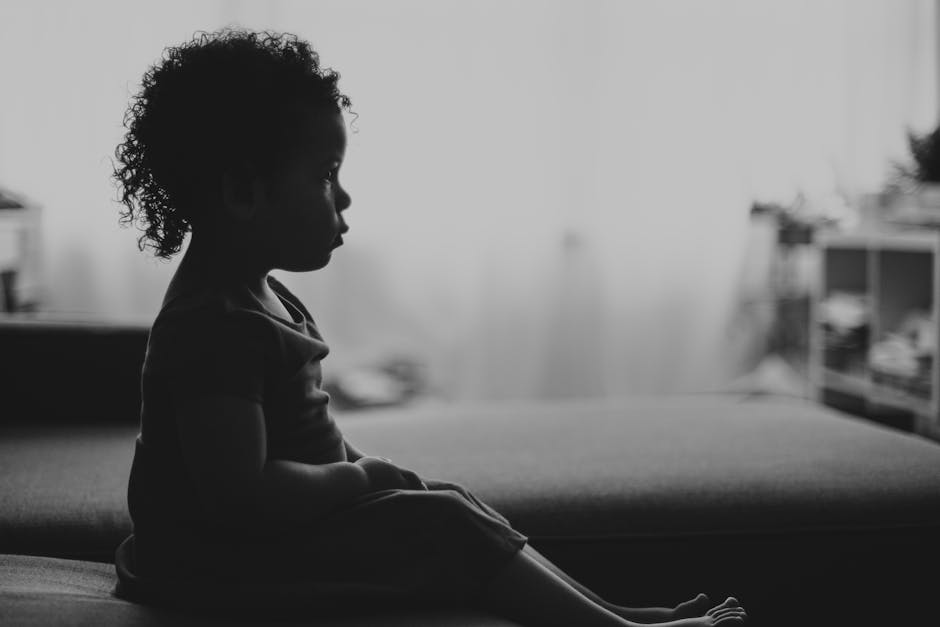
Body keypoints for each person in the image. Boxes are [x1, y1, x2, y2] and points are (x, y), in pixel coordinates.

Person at [112, 28, 747, 627]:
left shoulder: (260, 296)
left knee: (449, 501)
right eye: (326, 175)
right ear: (243, 192)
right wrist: (359, 479)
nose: (344, 197)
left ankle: (620, 615)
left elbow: (305, 438)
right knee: (444, 523)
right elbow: (241, 498)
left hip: (270, 538)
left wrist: (368, 470)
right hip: (219, 570)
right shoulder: (214, 326)